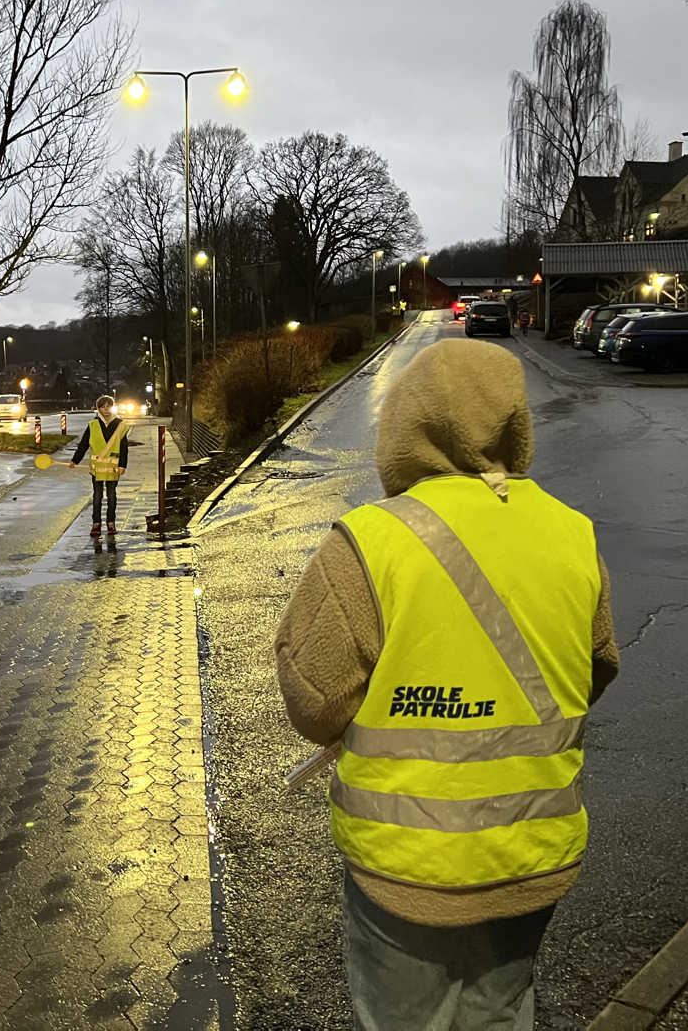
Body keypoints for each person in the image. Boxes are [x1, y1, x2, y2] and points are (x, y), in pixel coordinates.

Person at [274, 339, 619, 1031]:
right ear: (516, 426)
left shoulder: (369, 542)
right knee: (499, 1010)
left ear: (403, 427)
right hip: (534, 850)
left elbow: (315, 705)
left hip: (406, 867)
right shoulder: (571, 533)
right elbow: (595, 669)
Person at [69, 395, 128, 537]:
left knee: (112, 496)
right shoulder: (93, 425)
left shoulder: (120, 425)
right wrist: (75, 460)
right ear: (98, 408)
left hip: (114, 469)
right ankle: (96, 524)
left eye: (108, 406)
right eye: (102, 407)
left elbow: (124, 447)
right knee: (97, 496)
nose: (105, 410)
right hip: (97, 469)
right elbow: (83, 445)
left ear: (112, 407)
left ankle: (111, 523)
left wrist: (122, 465)